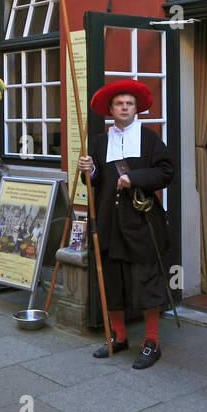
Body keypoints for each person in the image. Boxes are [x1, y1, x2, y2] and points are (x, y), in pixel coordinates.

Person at [78, 78, 177, 370]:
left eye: (129, 104)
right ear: (110, 109)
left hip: (142, 224)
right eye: (119, 104)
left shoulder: (149, 139)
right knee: (113, 281)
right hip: (110, 222)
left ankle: (151, 342)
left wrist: (136, 178)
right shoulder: (98, 141)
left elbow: (166, 171)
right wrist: (91, 169)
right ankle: (118, 336)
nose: (124, 108)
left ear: (136, 109)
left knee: (146, 283)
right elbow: (94, 180)